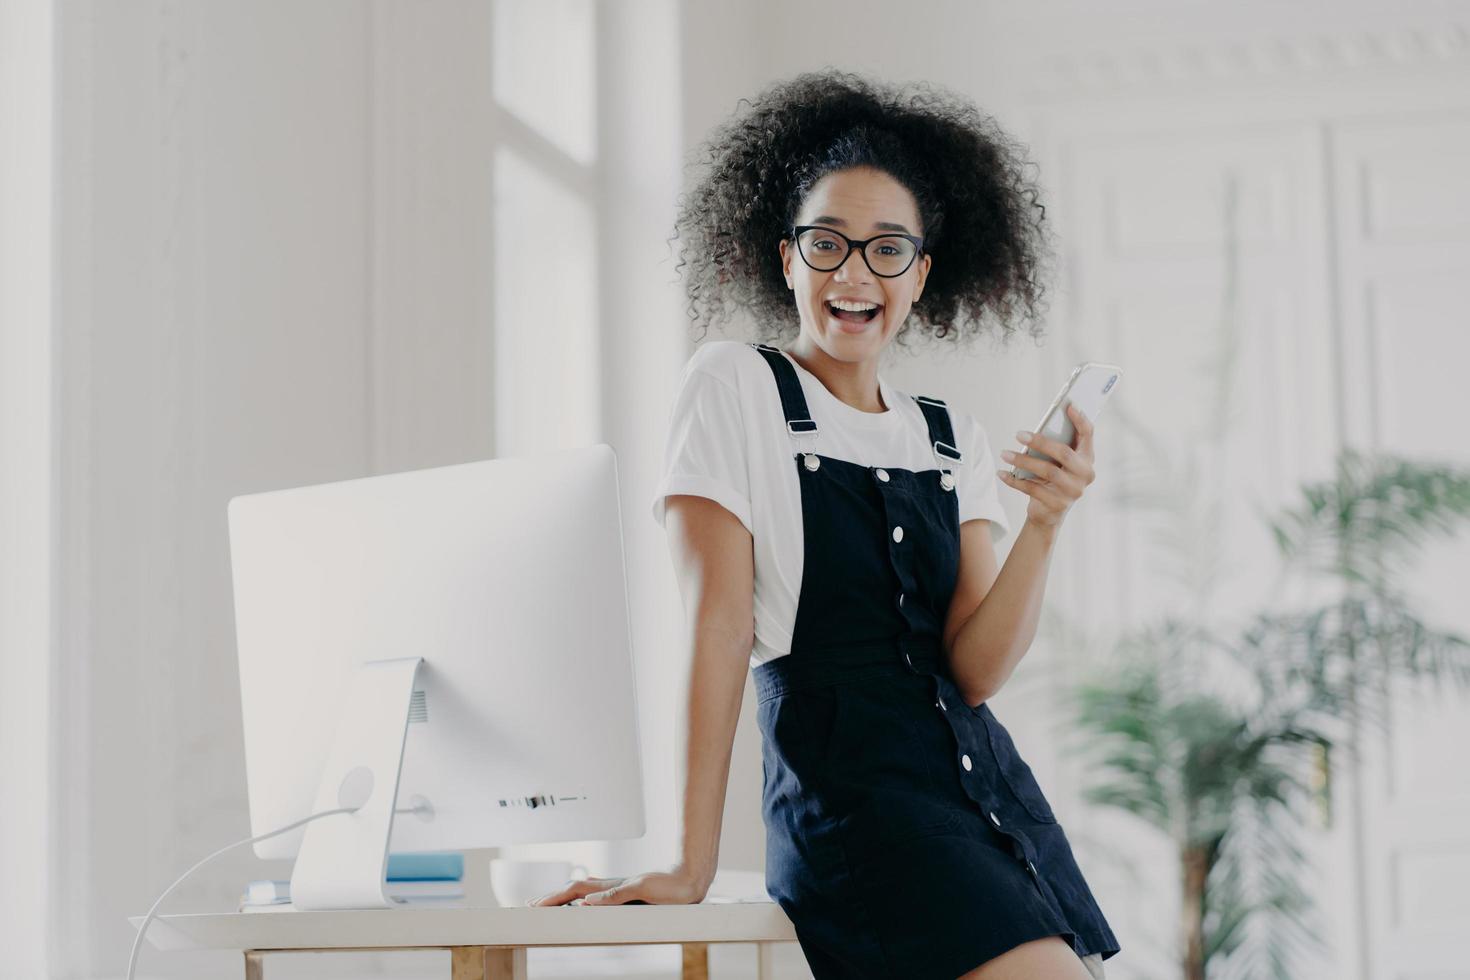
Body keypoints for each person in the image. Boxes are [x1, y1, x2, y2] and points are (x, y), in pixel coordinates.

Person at [530, 69, 1120, 980]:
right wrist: (687, 863)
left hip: (979, 799)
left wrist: (1045, 522)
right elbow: (718, 628)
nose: (854, 273)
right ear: (786, 259)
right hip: (852, 812)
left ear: (921, 274)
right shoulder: (735, 384)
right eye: (828, 245)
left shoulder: (945, 433)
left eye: (887, 250)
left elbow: (973, 669)